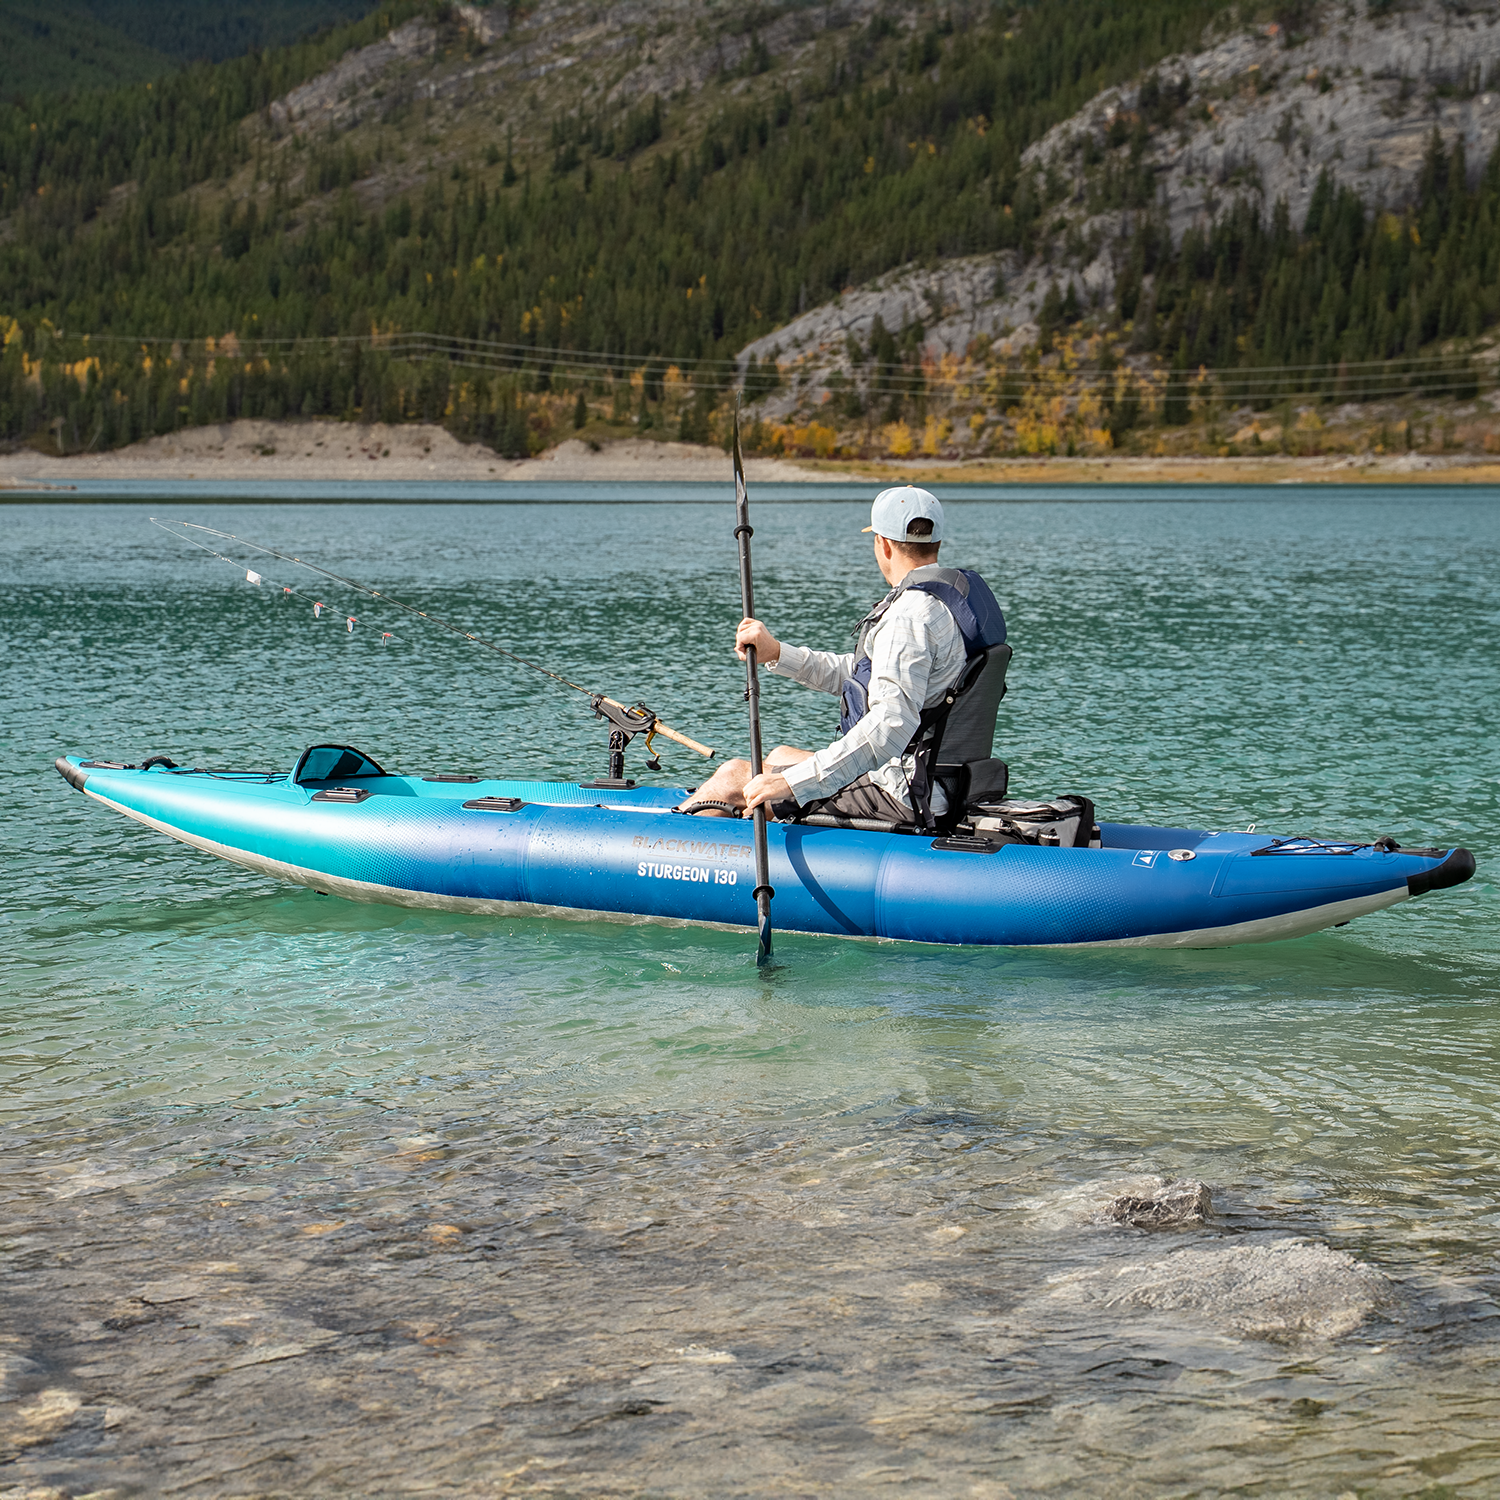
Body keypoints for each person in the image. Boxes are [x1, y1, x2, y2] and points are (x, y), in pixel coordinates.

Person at [681, 485, 1006, 826]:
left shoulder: (908, 617)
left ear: (882, 544)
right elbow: (869, 675)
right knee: (780, 754)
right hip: (945, 781)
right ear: (936, 541)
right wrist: (776, 653)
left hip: (903, 792)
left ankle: (671, 842)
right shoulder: (952, 603)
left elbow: (891, 726)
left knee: (733, 776)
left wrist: (792, 783)